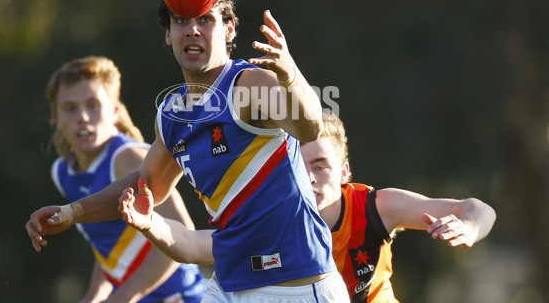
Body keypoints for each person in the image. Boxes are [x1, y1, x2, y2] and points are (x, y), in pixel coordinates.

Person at [26, 0, 350, 303]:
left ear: (229, 28)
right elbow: (144, 187)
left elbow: (309, 127)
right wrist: (72, 212)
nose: (192, 30)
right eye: (180, 20)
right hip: (228, 284)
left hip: (296, 287)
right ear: (168, 34)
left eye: (205, 19)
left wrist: (290, 75)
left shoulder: (249, 84)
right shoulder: (170, 116)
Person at [121, 110, 497, 302]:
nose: (310, 177)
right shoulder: (271, 225)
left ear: (345, 170)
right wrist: (149, 222)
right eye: (299, 167)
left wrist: (470, 227)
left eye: (321, 165)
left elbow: (476, 208)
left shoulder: (375, 207)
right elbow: (192, 245)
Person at [33, 56, 206, 303]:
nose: (82, 116)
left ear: (114, 111)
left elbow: (183, 234)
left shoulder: (128, 157)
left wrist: (123, 297)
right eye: (70, 108)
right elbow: (109, 247)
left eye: (93, 104)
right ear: (56, 119)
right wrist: (92, 297)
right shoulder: (62, 172)